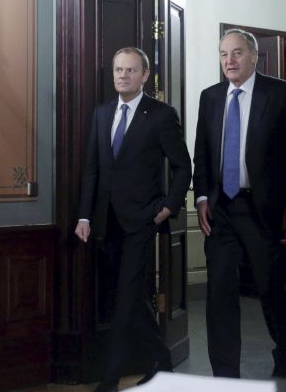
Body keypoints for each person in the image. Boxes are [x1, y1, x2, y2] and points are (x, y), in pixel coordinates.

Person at [75, 47, 192, 392]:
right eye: (118, 70)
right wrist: (84, 215)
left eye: (130, 70)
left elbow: (183, 166)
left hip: (142, 221)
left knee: (126, 299)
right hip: (106, 223)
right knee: (129, 297)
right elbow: (92, 169)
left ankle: (109, 381)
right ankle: (162, 362)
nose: (123, 76)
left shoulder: (161, 115)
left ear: (144, 75)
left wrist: (169, 207)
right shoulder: (102, 113)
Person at [193, 28, 286, 378]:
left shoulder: (281, 94)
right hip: (220, 209)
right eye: (224, 54)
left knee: (272, 287)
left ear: (254, 56)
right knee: (219, 293)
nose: (230, 60)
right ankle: (225, 375)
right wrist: (202, 196)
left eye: (237, 53)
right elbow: (202, 153)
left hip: (263, 209)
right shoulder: (210, 97)